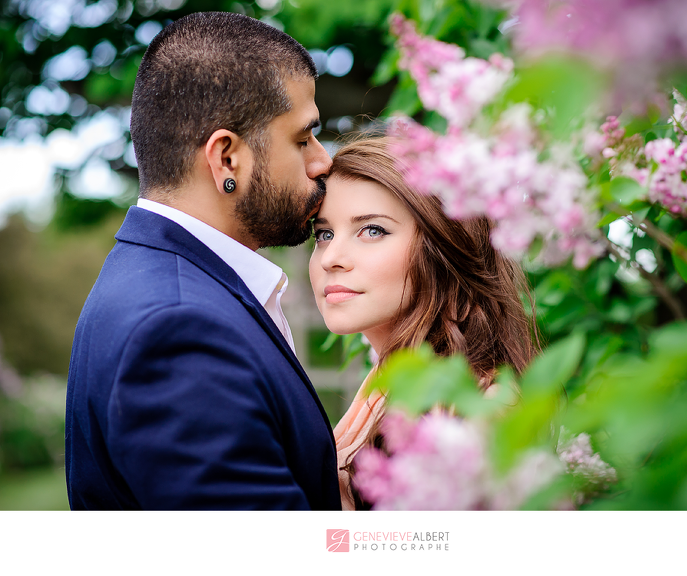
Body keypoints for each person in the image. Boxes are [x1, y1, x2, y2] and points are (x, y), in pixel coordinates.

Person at [65, 12, 341, 510]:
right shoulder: (178, 330)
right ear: (227, 160)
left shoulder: (166, 286)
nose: (323, 161)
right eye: (302, 139)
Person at [308, 137, 538, 510]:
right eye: (324, 234)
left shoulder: (485, 413)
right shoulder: (391, 393)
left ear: (442, 250)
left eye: (372, 230)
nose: (331, 257)